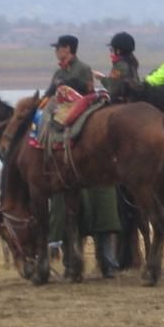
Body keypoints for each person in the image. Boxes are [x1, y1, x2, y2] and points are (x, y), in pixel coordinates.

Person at [44, 36, 120, 278]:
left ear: (67, 49)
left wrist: (63, 91)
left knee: (101, 214)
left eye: (59, 48)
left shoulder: (82, 69)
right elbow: (49, 95)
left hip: (76, 112)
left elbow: (85, 92)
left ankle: (107, 264)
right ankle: (71, 263)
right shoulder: (58, 73)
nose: (56, 52)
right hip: (61, 113)